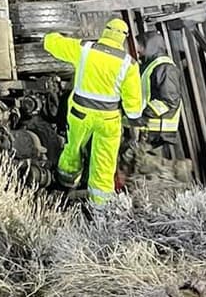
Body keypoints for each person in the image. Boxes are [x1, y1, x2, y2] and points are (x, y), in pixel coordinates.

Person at [43, 18, 143, 204]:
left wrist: (49, 36)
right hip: (109, 121)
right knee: (104, 164)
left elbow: (56, 45)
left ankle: (65, 183)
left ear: (105, 31)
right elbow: (133, 102)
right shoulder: (129, 64)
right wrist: (135, 117)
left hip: (81, 115)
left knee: (72, 149)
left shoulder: (85, 49)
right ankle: (102, 209)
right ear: (123, 38)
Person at [138, 32, 183, 158]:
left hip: (157, 130)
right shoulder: (150, 65)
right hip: (149, 128)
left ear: (149, 46)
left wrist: (143, 113)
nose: (138, 50)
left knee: (148, 169)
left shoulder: (165, 68)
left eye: (140, 46)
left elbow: (169, 101)